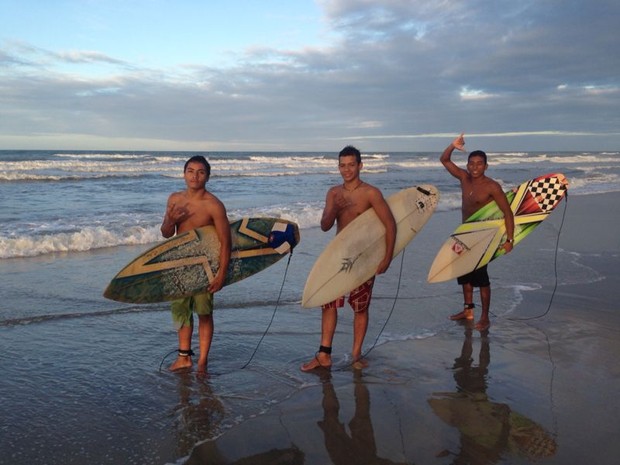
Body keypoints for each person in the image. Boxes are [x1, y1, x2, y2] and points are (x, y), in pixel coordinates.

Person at [301, 146, 396, 371]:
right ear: (338, 167)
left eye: (351, 165)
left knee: (360, 307)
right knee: (328, 303)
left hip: (364, 256)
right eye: (342, 165)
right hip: (339, 254)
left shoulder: (371, 193)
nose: (347, 170)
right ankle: (324, 354)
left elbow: (390, 224)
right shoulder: (334, 193)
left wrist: (388, 257)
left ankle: (356, 355)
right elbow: (325, 226)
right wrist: (334, 209)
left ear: (360, 165)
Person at [161, 155, 231, 373]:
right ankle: (184, 357)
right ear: (184, 174)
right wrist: (171, 220)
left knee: (204, 312)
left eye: (200, 172)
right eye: (190, 171)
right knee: (181, 311)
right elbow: (166, 234)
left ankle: (202, 361)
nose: (195, 176)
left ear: (207, 176)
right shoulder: (174, 199)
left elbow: (225, 242)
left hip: (205, 266)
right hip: (179, 263)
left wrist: (221, 274)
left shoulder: (214, 206)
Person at [440, 134, 514, 331]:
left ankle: (485, 317)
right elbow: (444, 160)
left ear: (486, 166)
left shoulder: (492, 186)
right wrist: (453, 145)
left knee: (481, 279)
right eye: (471, 163)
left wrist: (510, 240)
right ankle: (468, 311)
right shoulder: (464, 178)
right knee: (464, 273)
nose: (474, 167)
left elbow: (508, 213)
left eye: (479, 164)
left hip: (484, 237)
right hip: (464, 234)